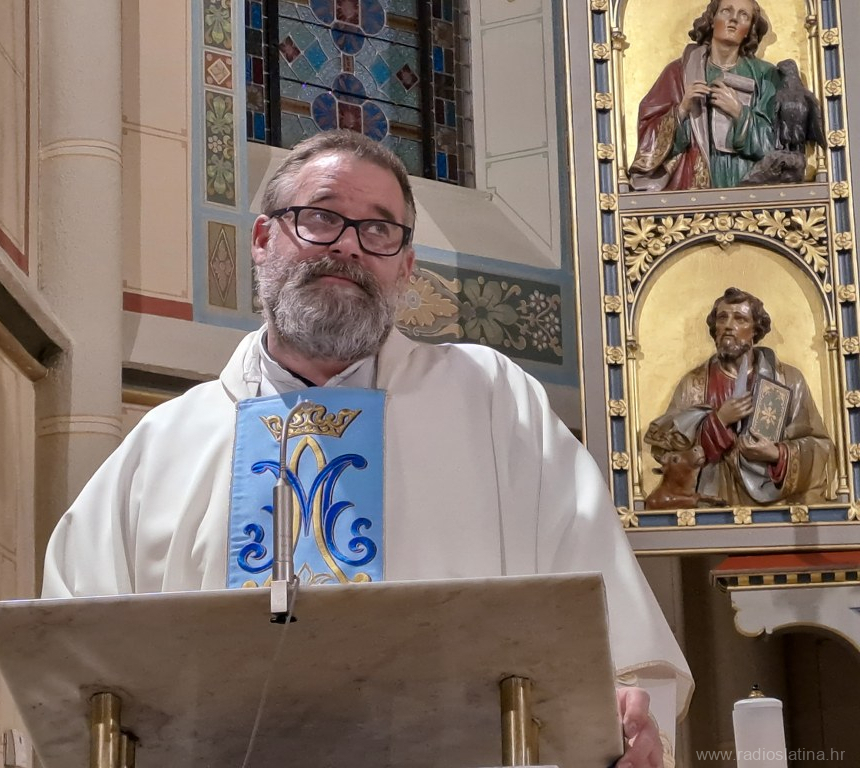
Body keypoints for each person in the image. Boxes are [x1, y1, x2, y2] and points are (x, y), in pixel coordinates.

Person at [43, 130, 692, 767]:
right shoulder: (164, 444)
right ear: (263, 240)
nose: (348, 245)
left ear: (405, 267)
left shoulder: (492, 400)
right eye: (321, 217)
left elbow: (608, 634)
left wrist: (628, 718)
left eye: (379, 230)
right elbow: (75, 663)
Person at [645, 287, 835, 505]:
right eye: (722, 318)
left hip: (772, 509)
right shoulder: (693, 384)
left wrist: (777, 454)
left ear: (755, 329)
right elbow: (666, 452)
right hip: (710, 502)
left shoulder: (788, 380)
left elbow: (820, 447)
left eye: (740, 319)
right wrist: (718, 422)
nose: (728, 325)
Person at [628, 0, 777, 191]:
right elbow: (648, 134)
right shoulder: (679, 72)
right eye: (726, 11)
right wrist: (682, 110)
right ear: (712, 20)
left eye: (744, 15)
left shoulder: (765, 75)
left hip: (746, 177)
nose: (733, 19)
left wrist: (740, 114)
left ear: (749, 30)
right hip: (693, 177)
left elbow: (776, 143)